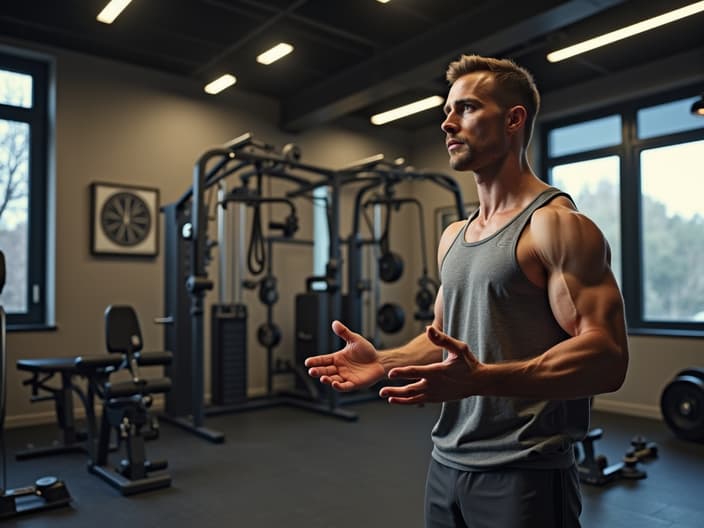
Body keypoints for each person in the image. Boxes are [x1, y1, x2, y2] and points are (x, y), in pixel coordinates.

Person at [305, 54, 629, 528]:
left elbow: (607, 356)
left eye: (467, 108)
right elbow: (443, 333)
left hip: (524, 472)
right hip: (446, 465)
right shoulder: (454, 235)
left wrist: (485, 379)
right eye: (447, 111)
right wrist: (385, 361)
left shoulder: (556, 226)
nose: (448, 123)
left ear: (514, 119)